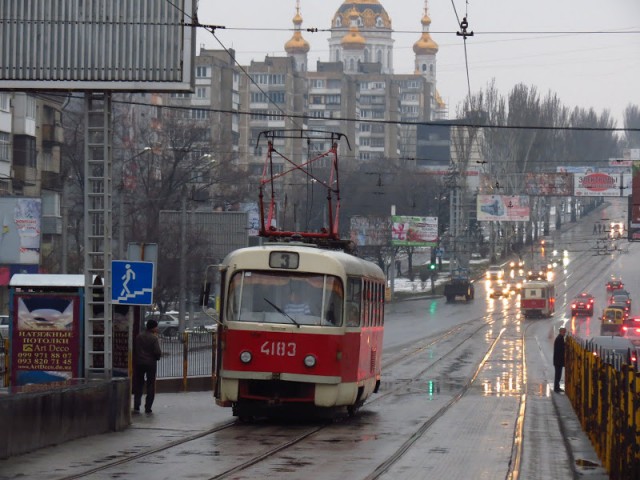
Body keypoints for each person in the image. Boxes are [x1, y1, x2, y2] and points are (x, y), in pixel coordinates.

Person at [133, 318, 162, 414]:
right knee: (150, 385)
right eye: (156, 326)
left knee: (139, 384)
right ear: (153, 327)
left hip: (139, 363)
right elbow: (157, 351)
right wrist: (157, 357)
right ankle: (148, 407)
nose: (157, 328)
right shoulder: (154, 338)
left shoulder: (139, 336)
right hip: (150, 364)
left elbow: (135, 349)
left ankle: (136, 406)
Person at [553, 327, 567, 393]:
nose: (564, 333)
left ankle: (557, 387)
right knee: (558, 374)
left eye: (565, 332)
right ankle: (556, 388)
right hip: (558, 361)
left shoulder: (560, 338)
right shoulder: (559, 339)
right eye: (564, 332)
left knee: (558, 374)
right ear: (561, 332)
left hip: (557, 360)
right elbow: (560, 350)